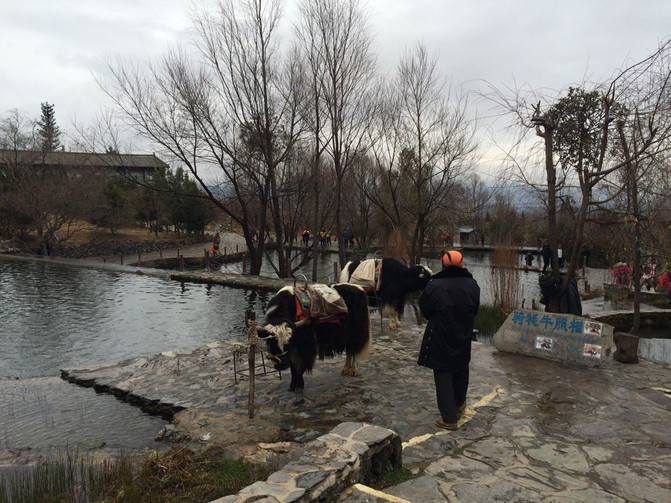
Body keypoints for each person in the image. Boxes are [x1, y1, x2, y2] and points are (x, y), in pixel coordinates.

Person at [418, 250, 480, 431]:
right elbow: (475, 309)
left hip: (440, 334)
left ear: (443, 264)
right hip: (463, 332)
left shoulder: (434, 286)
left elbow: (426, 311)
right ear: (462, 264)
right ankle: (460, 403)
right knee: (461, 365)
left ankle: (449, 418)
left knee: (443, 371)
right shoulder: (473, 285)